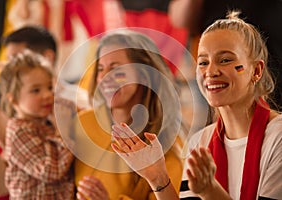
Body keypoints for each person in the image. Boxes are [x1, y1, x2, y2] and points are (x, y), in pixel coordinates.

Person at [111, 11, 282, 199]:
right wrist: (158, 178)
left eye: (225, 60)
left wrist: (210, 190)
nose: (211, 71)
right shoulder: (200, 142)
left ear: (256, 70)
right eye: (203, 62)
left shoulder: (277, 136)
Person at [73, 30, 184, 199]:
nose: (103, 77)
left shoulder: (167, 147)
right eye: (101, 69)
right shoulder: (82, 122)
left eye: (115, 68)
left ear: (144, 75)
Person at [0, 50, 75, 199]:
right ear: (13, 99)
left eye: (49, 88)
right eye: (36, 90)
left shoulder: (47, 122)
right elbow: (51, 171)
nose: (47, 95)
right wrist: (63, 129)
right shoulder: (18, 131)